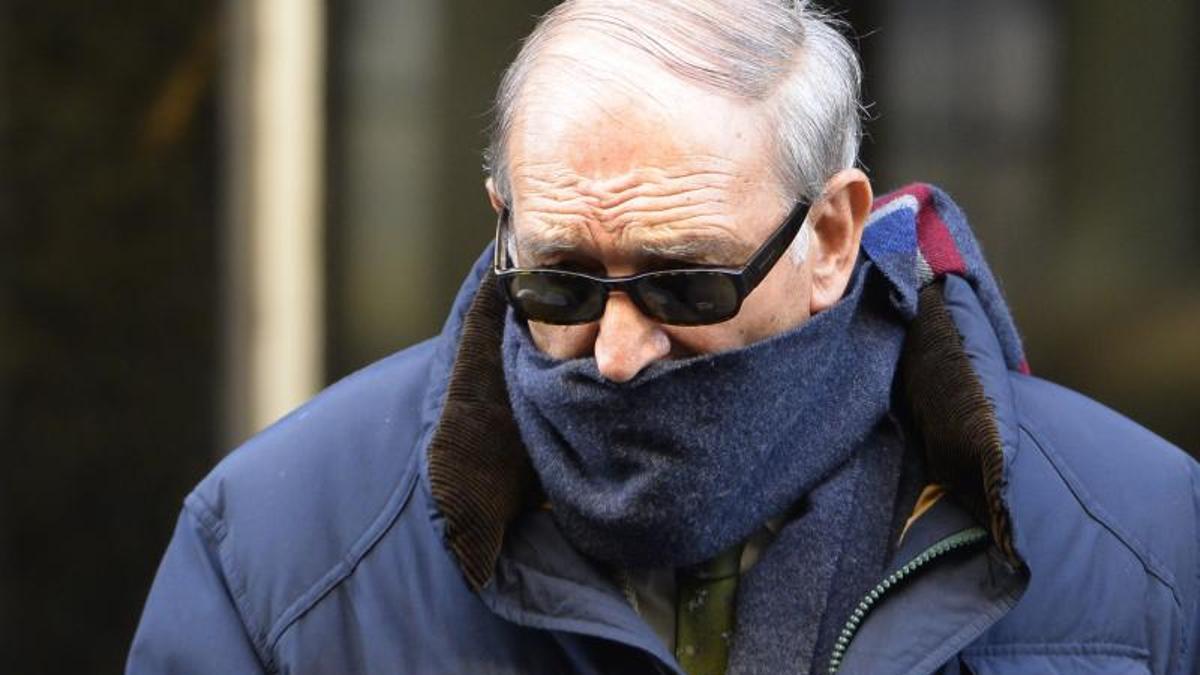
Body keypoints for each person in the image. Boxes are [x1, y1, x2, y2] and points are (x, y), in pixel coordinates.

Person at [127, 1, 1200, 673]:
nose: (617, 352)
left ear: (832, 234)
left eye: (686, 284)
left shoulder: (1148, 547)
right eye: (559, 284)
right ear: (503, 217)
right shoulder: (274, 550)